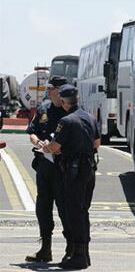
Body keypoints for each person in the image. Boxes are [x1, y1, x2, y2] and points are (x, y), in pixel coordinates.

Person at [42, 84, 100, 269]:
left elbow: (55, 147)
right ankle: (84, 254)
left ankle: (79, 257)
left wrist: (45, 147)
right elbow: (97, 143)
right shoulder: (90, 117)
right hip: (89, 169)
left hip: (74, 171)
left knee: (73, 212)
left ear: (64, 102)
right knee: (83, 211)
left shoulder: (66, 121)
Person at [25, 76, 72, 263]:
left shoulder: (71, 111)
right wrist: (38, 142)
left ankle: (71, 249)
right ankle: (45, 249)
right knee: (43, 208)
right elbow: (32, 131)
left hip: (63, 167)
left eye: (57, 88)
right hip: (44, 166)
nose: (54, 91)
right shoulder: (43, 109)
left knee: (65, 209)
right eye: (53, 88)